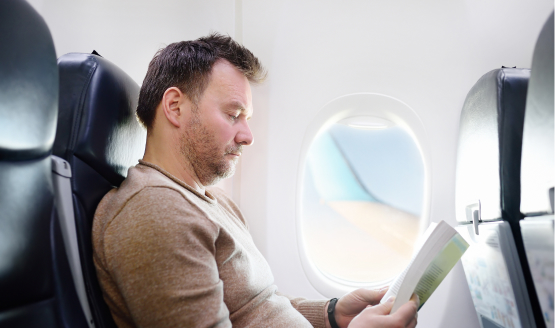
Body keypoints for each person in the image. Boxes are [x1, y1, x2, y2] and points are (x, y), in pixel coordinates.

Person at [92, 33, 419, 328]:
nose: (247, 136)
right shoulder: (155, 212)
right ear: (175, 107)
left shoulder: (214, 201)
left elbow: (254, 307)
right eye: (234, 115)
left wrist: (334, 315)